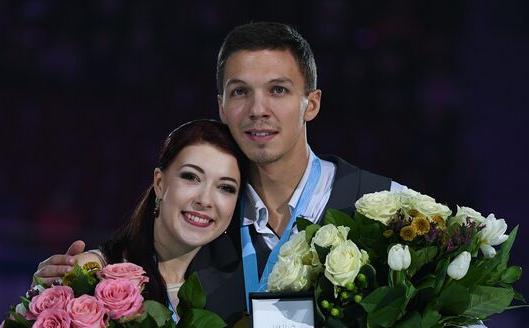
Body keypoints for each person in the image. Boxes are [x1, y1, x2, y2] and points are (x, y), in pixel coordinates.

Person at [34, 22, 404, 322]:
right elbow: (135, 259)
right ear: (223, 107)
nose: (258, 109)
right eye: (240, 92)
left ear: (312, 104)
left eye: (278, 90)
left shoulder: (387, 206)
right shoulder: (204, 217)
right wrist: (75, 282)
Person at [34, 119, 248, 323]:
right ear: (160, 183)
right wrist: (38, 297)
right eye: (191, 177)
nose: (205, 200)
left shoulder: (233, 294)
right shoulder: (93, 272)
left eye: (226, 188)